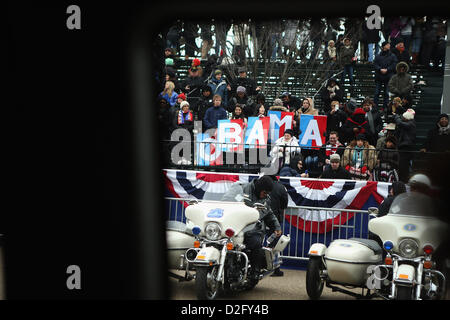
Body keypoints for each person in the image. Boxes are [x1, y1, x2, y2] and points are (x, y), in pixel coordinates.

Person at [221, 176, 282, 279]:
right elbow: (225, 200)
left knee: (256, 243)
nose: (265, 195)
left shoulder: (266, 199)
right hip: (234, 226)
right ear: (259, 188)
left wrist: (277, 227)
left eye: (267, 193)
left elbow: (269, 214)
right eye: (264, 192)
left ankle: (255, 271)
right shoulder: (240, 188)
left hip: (253, 229)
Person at [267, 175, 288, 277]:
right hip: (275, 219)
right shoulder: (280, 187)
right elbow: (285, 203)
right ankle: (276, 268)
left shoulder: (262, 185)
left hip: (261, 217)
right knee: (275, 245)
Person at [373, 41, 398, 111]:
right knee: (376, 93)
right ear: (384, 46)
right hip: (379, 77)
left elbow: (394, 64)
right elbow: (375, 64)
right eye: (387, 45)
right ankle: (375, 107)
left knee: (386, 93)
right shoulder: (378, 56)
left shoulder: (392, 56)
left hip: (388, 77)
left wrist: (387, 69)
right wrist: (380, 69)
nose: (389, 46)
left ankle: (385, 107)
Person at [394, 108, 416, 182]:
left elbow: (400, 123)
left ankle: (403, 182)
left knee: (404, 168)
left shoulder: (411, 123)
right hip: (404, 147)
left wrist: (396, 117)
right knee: (402, 167)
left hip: (406, 148)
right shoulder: (409, 123)